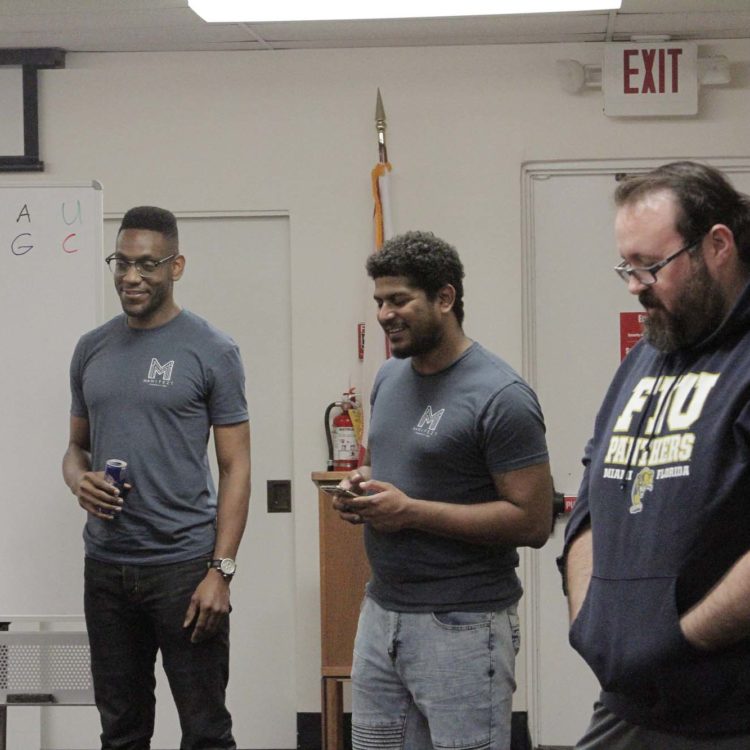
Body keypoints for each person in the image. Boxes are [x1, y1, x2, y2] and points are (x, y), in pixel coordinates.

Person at [334, 231, 553, 750]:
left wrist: (411, 513)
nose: (386, 314)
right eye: (380, 302)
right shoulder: (388, 377)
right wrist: (358, 487)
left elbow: (534, 522)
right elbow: (385, 467)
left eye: (400, 299)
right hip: (381, 612)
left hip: (464, 623)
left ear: (445, 298)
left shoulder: (501, 395)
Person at [560, 161, 750, 749]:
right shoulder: (650, 349)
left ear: (717, 245)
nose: (634, 286)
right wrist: (591, 624)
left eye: (650, 266)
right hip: (629, 706)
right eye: (627, 267)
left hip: (726, 711)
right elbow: (592, 497)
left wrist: (677, 639)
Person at [62, 206, 251, 750]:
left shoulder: (212, 349)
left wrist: (222, 571)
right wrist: (80, 481)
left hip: (183, 570)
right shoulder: (91, 348)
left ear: (177, 266)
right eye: (122, 262)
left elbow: (236, 465)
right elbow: (75, 447)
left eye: (147, 264)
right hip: (107, 570)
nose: (131, 276)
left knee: (206, 731)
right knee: (121, 730)